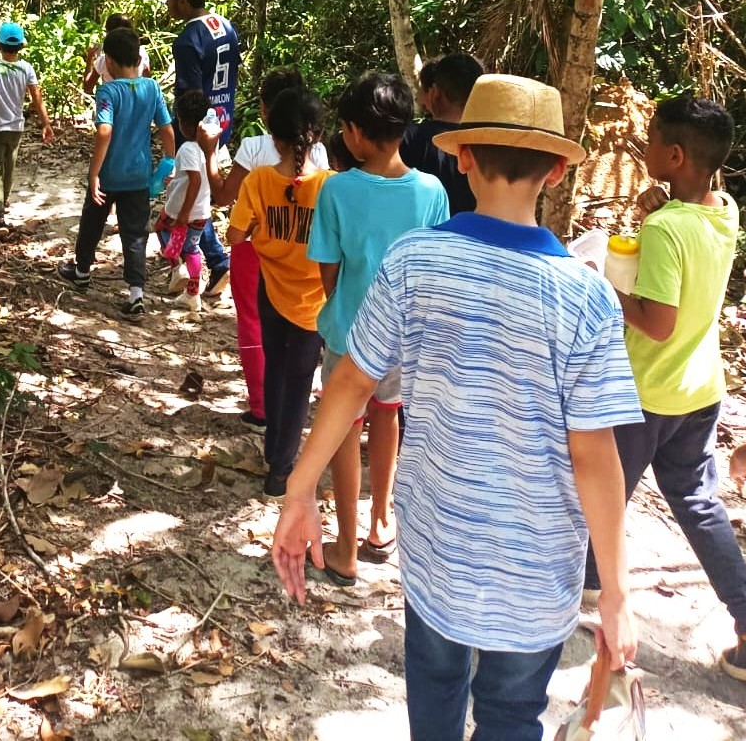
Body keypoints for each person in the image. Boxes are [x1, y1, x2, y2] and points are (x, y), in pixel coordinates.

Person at [271, 75, 641, 740]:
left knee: (435, 703)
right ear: (557, 171)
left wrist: (300, 492)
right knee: (510, 717)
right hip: (536, 578)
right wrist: (613, 592)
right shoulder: (587, 301)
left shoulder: (414, 261)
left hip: (437, 557)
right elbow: (595, 457)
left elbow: (353, 382)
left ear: (464, 157)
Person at [581, 96, 746, 687]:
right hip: (699, 387)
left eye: (652, 140)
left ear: (675, 154)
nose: (643, 147)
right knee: (699, 502)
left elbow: (657, 320)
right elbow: (685, 248)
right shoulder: (724, 209)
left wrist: (602, 282)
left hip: (646, 392)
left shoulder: (665, 227)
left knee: (601, 489)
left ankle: (573, 588)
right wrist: (654, 212)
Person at [306, 73, 449, 584]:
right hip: (406, 339)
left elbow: (328, 270)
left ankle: (344, 547)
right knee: (388, 419)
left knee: (345, 429)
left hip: (349, 335)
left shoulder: (337, 190)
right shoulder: (431, 191)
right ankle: (381, 522)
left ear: (356, 132)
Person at [225, 87, 332, 498]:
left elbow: (235, 235)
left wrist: (258, 230)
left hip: (270, 289)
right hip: (314, 302)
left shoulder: (258, 181)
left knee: (274, 366)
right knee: (301, 379)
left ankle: (274, 454)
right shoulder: (330, 186)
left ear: (273, 134)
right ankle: (281, 468)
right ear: (318, 135)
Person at [57, 27, 175, 316]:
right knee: (136, 234)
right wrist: (169, 162)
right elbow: (167, 129)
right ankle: (136, 293)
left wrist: (93, 173)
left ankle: (82, 271)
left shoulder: (108, 90)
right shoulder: (152, 88)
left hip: (109, 174)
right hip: (139, 176)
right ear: (138, 58)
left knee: (92, 222)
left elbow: (105, 130)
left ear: (108, 60)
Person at [164, 0, 239, 298]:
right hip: (222, 120)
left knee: (188, 196)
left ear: (182, 1)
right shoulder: (226, 26)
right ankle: (210, 262)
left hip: (197, 128)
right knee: (202, 194)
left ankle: (207, 261)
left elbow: (190, 94)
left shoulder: (187, 40)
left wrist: (185, 131)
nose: (167, 5)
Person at [0, 21, 55, 219]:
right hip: (16, 127)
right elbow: (36, 98)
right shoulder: (26, 68)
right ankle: (3, 199)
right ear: (21, 46)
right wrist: (46, 123)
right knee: (9, 166)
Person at [156, 90, 217, 312]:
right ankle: (192, 295)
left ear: (184, 123)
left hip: (181, 208)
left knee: (161, 228)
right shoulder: (210, 145)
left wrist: (183, 214)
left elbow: (195, 180)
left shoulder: (188, 147)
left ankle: (177, 268)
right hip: (201, 211)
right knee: (191, 248)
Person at [400, 52, 483, 214]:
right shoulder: (492, 141)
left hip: (423, 236)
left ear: (435, 92)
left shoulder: (409, 138)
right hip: (478, 236)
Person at [83, 13, 151, 93]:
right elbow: (148, 84)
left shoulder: (103, 61)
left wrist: (89, 58)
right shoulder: (141, 53)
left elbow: (87, 88)